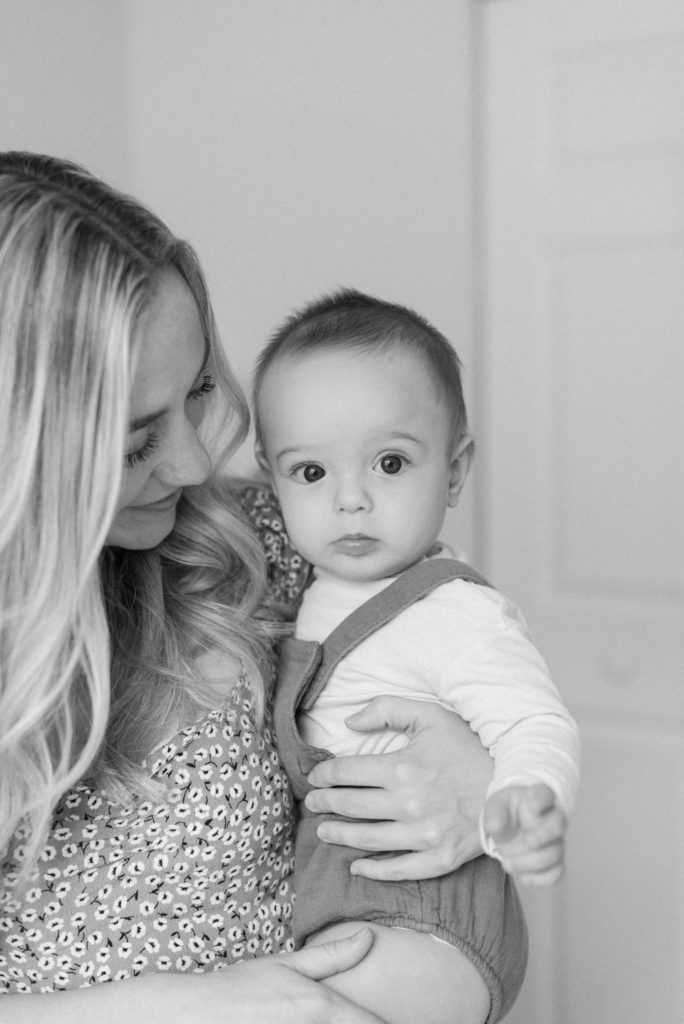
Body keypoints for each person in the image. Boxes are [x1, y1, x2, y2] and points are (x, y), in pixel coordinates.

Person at [0, 152, 499, 1024]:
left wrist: (476, 774)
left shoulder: (271, 546)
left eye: (197, 393)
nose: (197, 462)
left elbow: (460, 899)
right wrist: (176, 1007)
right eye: (134, 443)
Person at [253, 288, 581, 1024]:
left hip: (429, 919)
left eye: (391, 463)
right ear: (271, 481)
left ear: (455, 470)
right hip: (354, 909)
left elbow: (536, 722)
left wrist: (516, 817)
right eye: (311, 472)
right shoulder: (312, 591)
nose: (352, 500)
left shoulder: (455, 613)